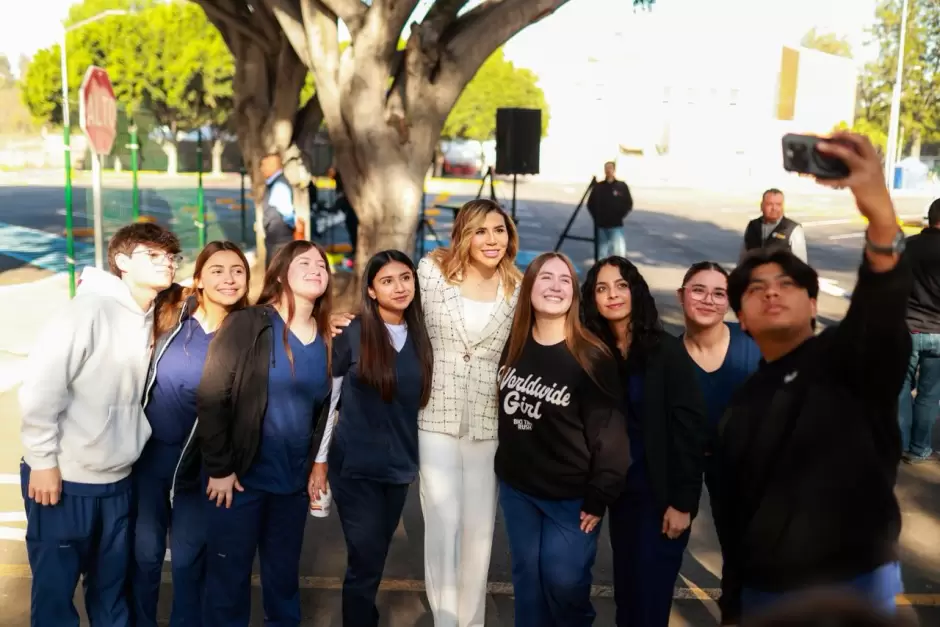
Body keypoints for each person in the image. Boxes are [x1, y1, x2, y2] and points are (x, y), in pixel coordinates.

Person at [719, 132, 912, 623]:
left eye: (787, 283)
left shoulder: (848, 359)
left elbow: (880, 308)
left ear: (813, 303)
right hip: (763, 593)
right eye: (756, 287)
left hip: (853, 585)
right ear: (740, 313)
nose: (771, 292)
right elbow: (734, 516)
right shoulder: (742, 403)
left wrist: (881, 221)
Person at [19, 222, 181, 627]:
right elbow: (42, 386)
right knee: (56, 597)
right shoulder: (88, 310)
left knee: (111, 593)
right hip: (64, 480)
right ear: (122, 262)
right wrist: (42, 461)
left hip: (118, 480)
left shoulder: (151, 312)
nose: (166, 263)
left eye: (171, 257)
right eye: (153, 255)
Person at [196, 240, 335, 626]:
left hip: (290, 484)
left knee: (283, 581)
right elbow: (212, 397)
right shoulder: (249, 324)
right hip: (239, 481)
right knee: (228, 582)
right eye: (304, 262)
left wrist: (315, 467)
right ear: (279, 274)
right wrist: (221, 469)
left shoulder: (327, 336)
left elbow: (325, 412)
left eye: (321, 264)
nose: (315, 268)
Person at [496, 252, 630, 627]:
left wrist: (599, 495)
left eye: (565, 280)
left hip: (571, 498)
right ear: (529, 289)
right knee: (527, 580)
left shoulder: (591, 355)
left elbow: (610, 436)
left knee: (564, 582)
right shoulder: (514, 344)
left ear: (574, 293)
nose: (555, 287)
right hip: (518, 489)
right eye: (545, 278)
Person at [581, 256, 707, 627]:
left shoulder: (665, 352)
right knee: (628, 596)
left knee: (650, 603)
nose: (612, 295)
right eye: (602, 289)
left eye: (621, 285)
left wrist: (682, 503)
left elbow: (690, 429)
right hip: (620, 496)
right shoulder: (595, 352)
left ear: (635, 290)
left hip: (660, 497)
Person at [309, 250, 433, 627]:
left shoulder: (424, 337)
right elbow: (330, 401)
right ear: (373, 291)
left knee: (375, 556)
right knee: (364, 557)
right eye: (388, 281)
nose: (399, 287)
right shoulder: (353, 332)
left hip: (398, 469)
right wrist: (320, 461)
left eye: (406, 278)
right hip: (355, 467)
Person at [131, 241, 250, 627]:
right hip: (150, 458)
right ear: (197, 279)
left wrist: (334, 323)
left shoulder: (251, 330)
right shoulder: (172, 313)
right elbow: (125, 292)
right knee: (144, 556)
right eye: (217, 270)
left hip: (202, 466)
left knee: (188, 560)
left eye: (237, 271)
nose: (229, 279)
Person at [676, 261, 761, 551]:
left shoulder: (755, 343)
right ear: (681, 295)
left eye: (718, 293)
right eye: (698, 290)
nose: (708, 300)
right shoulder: (668, 359)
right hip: (698, 465)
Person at [897, 197, 940, 464]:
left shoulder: (906, 247)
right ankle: (919, 448)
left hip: (907, 329)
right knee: (930, 394)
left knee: (901, 388)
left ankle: (899, 442)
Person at [740, 188, 808, 264]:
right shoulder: (752, 226)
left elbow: (801, 264)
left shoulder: (792, 229)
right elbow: (743, 257)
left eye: (778, 204)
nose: (774, 208)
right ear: (762, 206)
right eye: (769, 204)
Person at [587, 161, 633, 258]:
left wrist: (620, 215)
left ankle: (619, 272)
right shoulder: (599, 186)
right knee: (602, 253)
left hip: (616, 225)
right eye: (606, 168)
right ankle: (602, 271)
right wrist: (596, 218)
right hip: (601, 225)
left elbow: (628, 203)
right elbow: (590, 204)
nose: (608, 170)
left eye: (610, 168)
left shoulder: (621, 186)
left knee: (618, 252)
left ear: (614, 170)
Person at [261, 153, 297, 267]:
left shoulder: (279, 185)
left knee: (277, 275)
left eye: (264, 165)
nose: (261, 169)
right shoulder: (275, 183)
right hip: (277, 240)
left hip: (280, 241)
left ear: (273, 165)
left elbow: (287, 213)